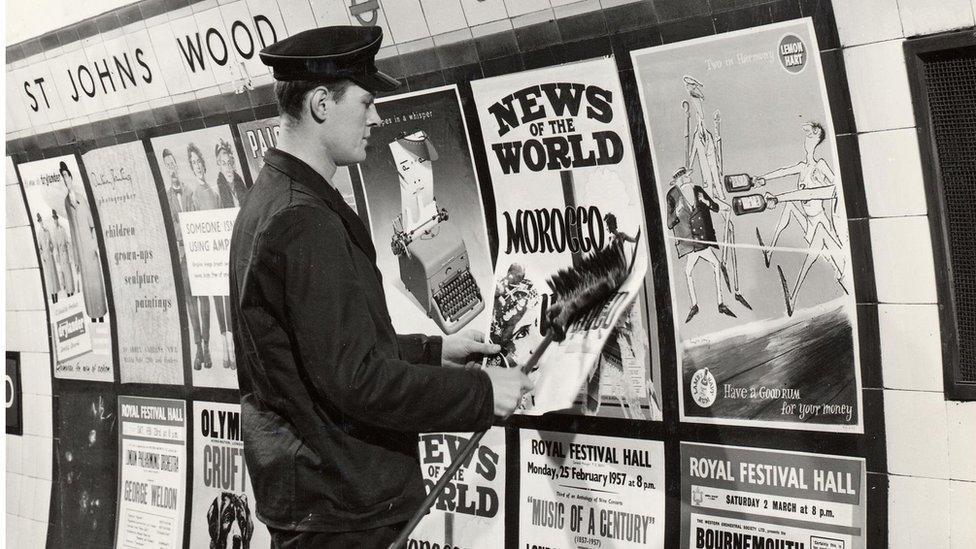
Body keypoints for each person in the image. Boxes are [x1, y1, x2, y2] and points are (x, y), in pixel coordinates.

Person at [230, 26, 531, 548]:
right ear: (321, 103)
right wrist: (481, 393)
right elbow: (357, 382)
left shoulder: (272, 200)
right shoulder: (303, 219)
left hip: (318, 501)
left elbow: (327, 351)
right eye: (366, 102)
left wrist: (434, 350)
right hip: (340, 510)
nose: (376, 118)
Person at [755, 122, 846, 316]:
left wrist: (821, 184)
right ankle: (770, 251)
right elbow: (783, 172)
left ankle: (793, 297)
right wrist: (762, 178)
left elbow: (836, 188)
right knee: (789, 207)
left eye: (812, 136)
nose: (808, 140)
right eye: (807, 136)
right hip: (809, 223)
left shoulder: (820, 165)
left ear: (818, 141)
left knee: (821, 239)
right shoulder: (802, 167)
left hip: (821, 223)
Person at [666, 166, 736, 322]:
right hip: (689, 243)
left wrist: (705, 202)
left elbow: (715, 207)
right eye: (685, 177)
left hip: (702, 239)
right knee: (690, 272)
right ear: (680, 180)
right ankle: (696, 305)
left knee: (715, 267)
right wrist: (676, 213)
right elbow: (669, 223)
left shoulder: (697, 190)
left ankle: (719, 304)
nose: (688, 178)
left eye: (687, 176)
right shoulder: (672, 196)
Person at [161, 148, 208, 370]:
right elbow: (172, 227)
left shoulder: (190, 192)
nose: (171, 168)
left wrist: (182, 225)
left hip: (196, 252)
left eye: (172, 163)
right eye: (167, 165)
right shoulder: (167, 197)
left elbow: (194, 220)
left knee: (203, 298)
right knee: (190, 301)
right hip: (181, 255)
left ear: (177, 166)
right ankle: (198, 347)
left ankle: (206, 345)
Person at [61, 161, 107, 321]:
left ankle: (101, 316)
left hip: (89, 249)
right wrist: (75, 258)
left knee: (96, 283)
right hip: (80, 251)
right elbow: (72, 232)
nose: (65, 179)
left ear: (71, 178)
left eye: (67, 176)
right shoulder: (66, 202)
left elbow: (92, 225)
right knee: (87, 287)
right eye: (63, 177)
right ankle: (93, 318)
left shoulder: (81, 198)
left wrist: (94, 245)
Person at [214, 139, 249, 209]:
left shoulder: (241, 185)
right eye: (224, 164)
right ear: (219, 166)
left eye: (229, 163)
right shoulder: (217, 192)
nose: (228, 167)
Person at [35, 212, 60, 303]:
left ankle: (56, 297)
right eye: (40, 222)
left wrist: (51, 249)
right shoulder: (39, 233)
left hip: (50, 256)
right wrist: (43, 256)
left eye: (42, 221)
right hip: (46, 258)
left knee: (54, 276)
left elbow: (52, 244)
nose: (42, 223)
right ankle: (53, 298)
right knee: (49, 278)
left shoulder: (47, 231)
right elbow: (39, 247)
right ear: (39, 223)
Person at [51, 210, 76, 298]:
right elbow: (54, 244)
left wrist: (68, 250)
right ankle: (67, 293)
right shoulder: (54, 231)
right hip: (60, 256)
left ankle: (71, 292)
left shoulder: (62, 229)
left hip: (66, 254)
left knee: (69, 274)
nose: (56, 221)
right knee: (64, 275)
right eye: (54, 220)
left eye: (56, 219)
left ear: (58, 219)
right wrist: (57, 255)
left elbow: (67, 240)